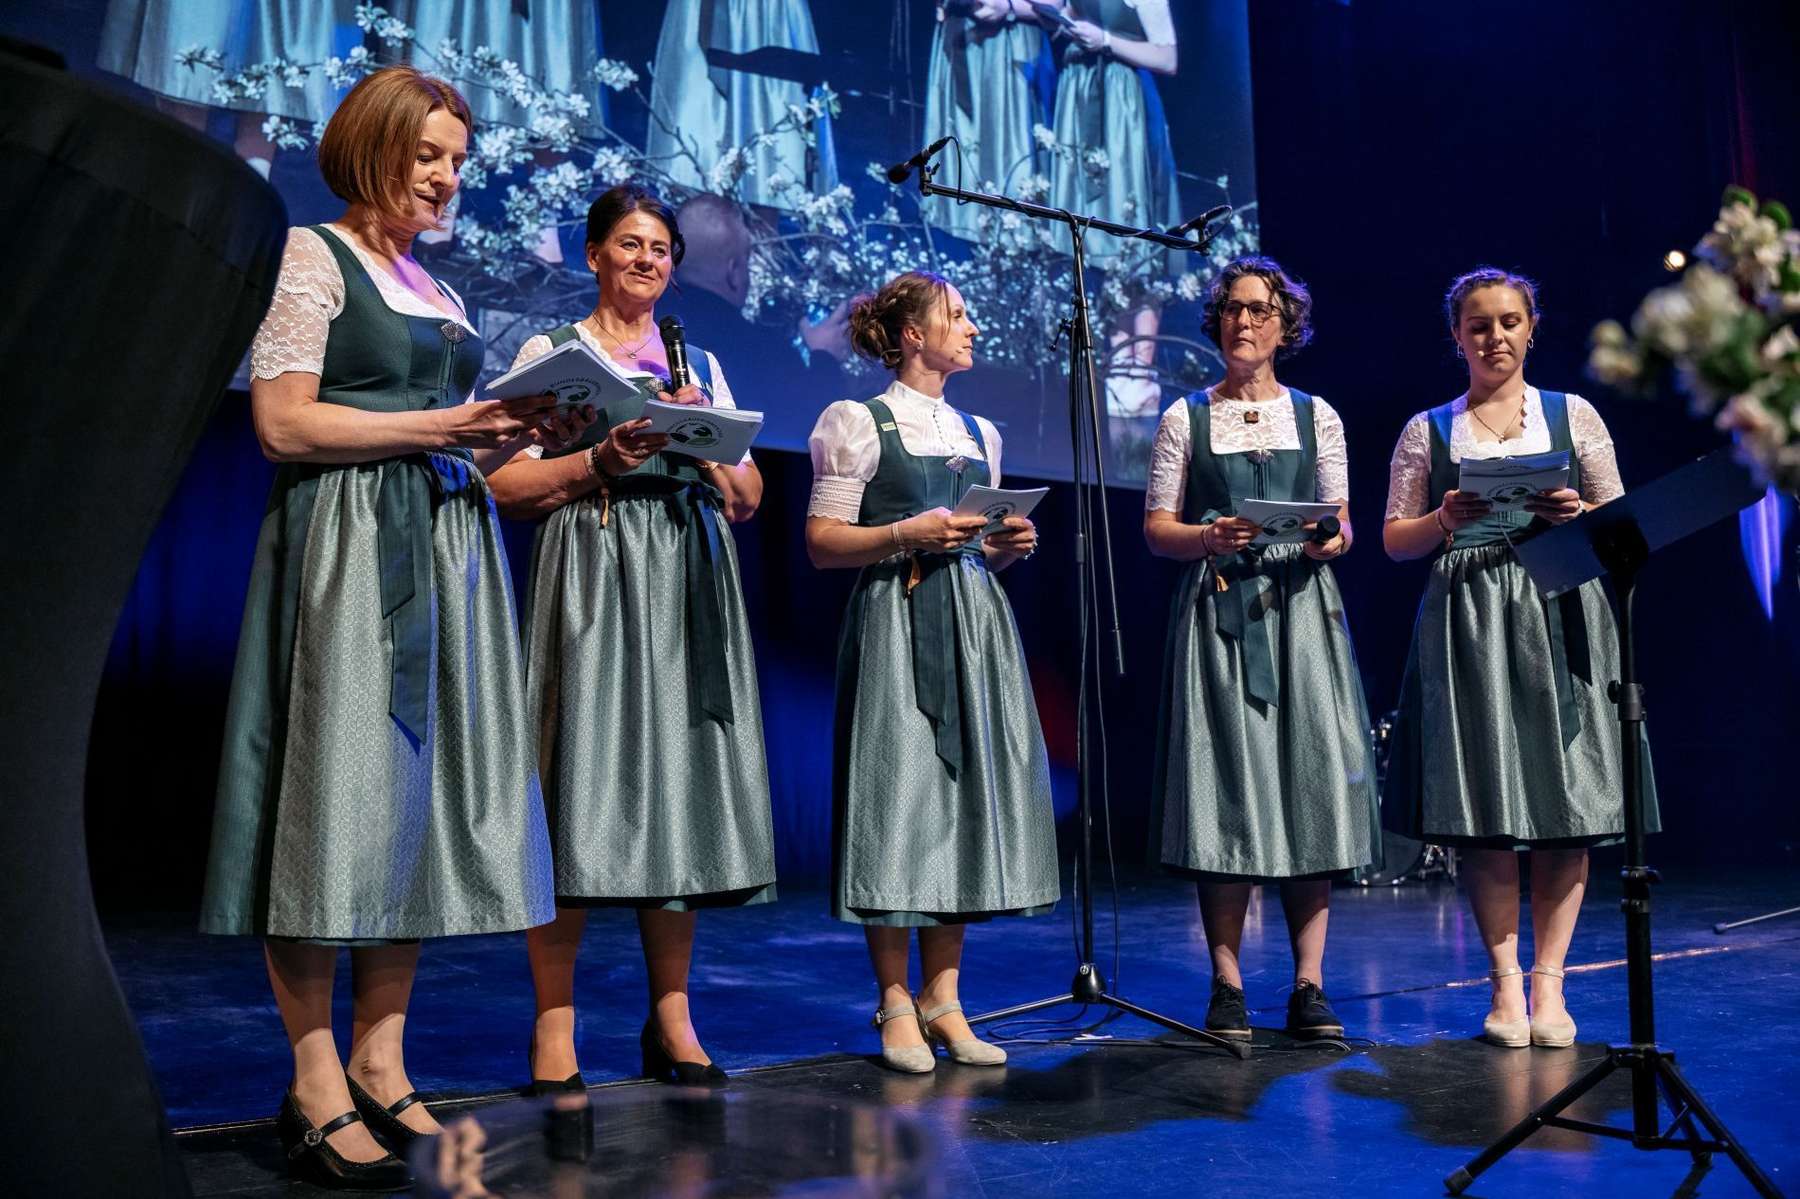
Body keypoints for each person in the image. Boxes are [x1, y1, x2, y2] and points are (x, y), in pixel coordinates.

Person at [198, 66, 581, 1190]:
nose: (448, 176)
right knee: (337, 803)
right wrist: (443, 422)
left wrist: (554, 440)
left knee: (407, 807)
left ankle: (382, 1057)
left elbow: (468, 443)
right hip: (355, 551)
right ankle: (313, 1075)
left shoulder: (436, 288)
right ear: (373, 147)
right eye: (429, 154)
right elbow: (279, 423)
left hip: (451, 552)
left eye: (458, 159)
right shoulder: (314, 258)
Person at [487, 185, 776, 1091]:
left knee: (678, 795)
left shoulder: (701, 362)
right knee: (575, 786)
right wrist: (596, 461)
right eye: (629, 244)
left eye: (661, 248)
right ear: (595, 254)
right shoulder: (552, 354)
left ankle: (673, 1018)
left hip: (687, 571)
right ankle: (555, 1023)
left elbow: (751, 496)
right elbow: (503, 487)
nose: (648, 260)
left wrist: (705, 438)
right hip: (596, 563)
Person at [1383, 267, 1658, 1049]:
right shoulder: (1429, 429)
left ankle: (1550, 982)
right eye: (1478, 324)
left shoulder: (1575, 416)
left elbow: (1623, 523)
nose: (1494, 336)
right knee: (1488, 806)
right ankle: (1504, 984)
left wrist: (1578, 512)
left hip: (1561, 604)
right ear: (1456, 336)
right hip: (1468, 616)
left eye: (1508, 321)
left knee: (1565, 800)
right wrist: (1441, 516)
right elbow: (1394, 540)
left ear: (1532, 327)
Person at [806, 270, 1058, 1073]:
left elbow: (974, 541)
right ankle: (894, 999)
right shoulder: (858, 419)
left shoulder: (979, 430)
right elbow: (821, 542)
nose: (972, 326)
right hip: (896, 619)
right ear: (913, 335)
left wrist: (1003, 548)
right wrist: (903, 533)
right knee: (898, 796)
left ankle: (945, 998)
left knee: (957, 801)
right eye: (957, 314)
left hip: (974, 622)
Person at [1145, 257, 1377, 1041]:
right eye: (1233, 311)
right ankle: (1227, 981)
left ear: (1286, 325)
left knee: (1310, 781)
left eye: (1260, 311)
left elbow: (1342, 524)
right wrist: (1208, 535)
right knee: (1227, 790)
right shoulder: (1186, 417)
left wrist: (1324, 540)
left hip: (1300, 610)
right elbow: (1157, 529)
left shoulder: (1319, 416)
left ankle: (1310, 983)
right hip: (1219, 611)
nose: (1244, 323)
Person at [1044, 0, 1184, 444]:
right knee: (1094, 239)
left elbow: (1167, 56)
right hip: (1081, 102)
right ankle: (1114, 372)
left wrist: (1104, 40)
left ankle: (1138, 373)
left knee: (1133, 233)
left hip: (1123, 111)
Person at [646, 0, 838, 210]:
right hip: (703, 12)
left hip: (765, 14)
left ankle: (763, 230)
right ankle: (695, 228)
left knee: (769, 152)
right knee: (693, 150)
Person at [921, 0, 1056, 243]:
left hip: (1009, 44)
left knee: (1009, 157)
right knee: (957, 155)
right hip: (958, 40)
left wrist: (1010, 8)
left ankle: (1012, 246)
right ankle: (957, 245)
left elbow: (1057, 6)